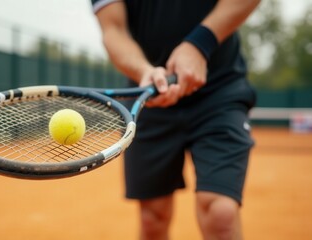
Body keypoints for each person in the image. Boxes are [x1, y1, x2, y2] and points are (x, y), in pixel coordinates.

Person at [90, 0, 260, 239]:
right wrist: (143, 71)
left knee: (220, 214)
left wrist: (200, 43)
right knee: (153, 218)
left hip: (219, 92)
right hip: (149, 99)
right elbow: (113, 30)